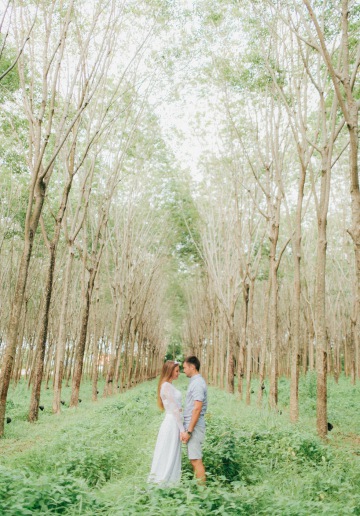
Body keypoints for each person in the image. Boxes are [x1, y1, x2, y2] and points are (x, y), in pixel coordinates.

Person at [148, 360, 184, 485]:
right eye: (177, 371)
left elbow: (176, 406)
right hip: (172, 422)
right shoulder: (166, 386)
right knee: (169, 450)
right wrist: (182, 429)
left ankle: (171, 480)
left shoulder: (168, 385)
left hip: (174, 421)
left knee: (172, 450)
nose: (179, 373)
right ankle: (165, 480)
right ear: (170, 371)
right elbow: (174, 409)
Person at [181, 355, 207, 483]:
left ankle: (203, 493)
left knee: (196, 460)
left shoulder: (197, 383)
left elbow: (197, 408)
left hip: (195, 426)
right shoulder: (195, 381)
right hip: (192, 425)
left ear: (192, 367)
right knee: (194, 459)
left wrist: (189, 431)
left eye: (185, 367)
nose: (183, 370)